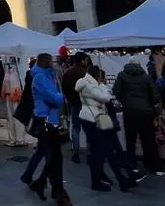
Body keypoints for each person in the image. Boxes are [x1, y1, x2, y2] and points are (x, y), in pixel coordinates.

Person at [77, 66, 138, 192]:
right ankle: (101, 181)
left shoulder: (86, 84)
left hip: (92, 119)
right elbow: (105, 97)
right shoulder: (90, 86)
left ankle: (118, 179)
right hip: (94, 119)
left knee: (102, 152)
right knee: (101, 152)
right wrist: (103, 86)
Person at [20, 53, 68, 205]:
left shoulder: (47, 76)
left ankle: (40, 182)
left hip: (50, 119)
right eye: (52, 61)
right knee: (55, 157)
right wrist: (62, 97)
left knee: (51, 155)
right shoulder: (40, 77)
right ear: (46, 62)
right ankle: (58, 191)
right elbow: (52, 97)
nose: (54, 63)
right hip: (45, 120)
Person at [113, 57, 164, 176]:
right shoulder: (146, 76)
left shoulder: (122, 75)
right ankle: (153, 166)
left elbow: (116, 91)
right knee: (149, 140)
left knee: (131, 140)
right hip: (146, 111)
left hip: (129, 111)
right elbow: (155, 94)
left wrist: (124, 101)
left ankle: (132, 165)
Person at [61, 53, 90, 163]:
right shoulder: (85, 73)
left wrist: (69, 98)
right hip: (85, 104)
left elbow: (64, 87)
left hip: (73, 104)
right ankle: (89, 152)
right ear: (82, 60)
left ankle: (76, 152)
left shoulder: (68, 72)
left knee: (76, 128)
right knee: (87, 129)